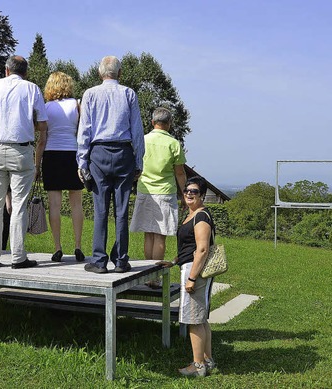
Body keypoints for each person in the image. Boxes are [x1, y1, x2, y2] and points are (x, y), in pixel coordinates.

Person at [0, 55, 48, 269]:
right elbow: (43, 125)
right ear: (25, 72)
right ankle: (18, 256)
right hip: (21, 150)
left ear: (6, 70)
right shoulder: (32, 89)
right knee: (18, 206)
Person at [77, 55, 145, 274]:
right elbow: (137, 130)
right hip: (124, 151)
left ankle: (98, 260)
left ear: (100, 73)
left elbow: (84, 130)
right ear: (120, 73)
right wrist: (138, 160)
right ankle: (121, 260)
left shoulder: (90, 94)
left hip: (99, 153)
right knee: (122, 210)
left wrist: (82, 161)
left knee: (100, 209)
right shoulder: (129, 94)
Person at [157, 176, 216, 377]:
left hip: (195, 270)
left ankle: (198, 366)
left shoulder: (201, 217)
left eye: (194, 191)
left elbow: (201, 249)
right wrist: (173, 262)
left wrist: (191, 277)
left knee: (193, 319)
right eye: (186, 190)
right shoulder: (191, 214)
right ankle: (207, 360)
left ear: (202, 195)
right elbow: (188, 248)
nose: (189, 194)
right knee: (201, 319)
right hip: (190, 267)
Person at [130, 107, 186, 287]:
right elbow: (180, 173)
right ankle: (155, 277)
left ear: (153, 122)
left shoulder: (143, 140)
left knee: (148, 234)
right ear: (169, 124)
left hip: (145, 190)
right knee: (160, 236)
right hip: (165, 192)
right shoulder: (174, 143)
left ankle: (147, 275)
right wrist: (185, 194)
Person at [41, 71, 85, 262]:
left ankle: (57, 246)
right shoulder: (76, 104)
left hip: (52, 153)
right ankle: (78, 245)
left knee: (55, 206)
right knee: (76, 204)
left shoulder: (45, 107)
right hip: (72, 153)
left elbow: (42, 136)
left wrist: (37, 162)